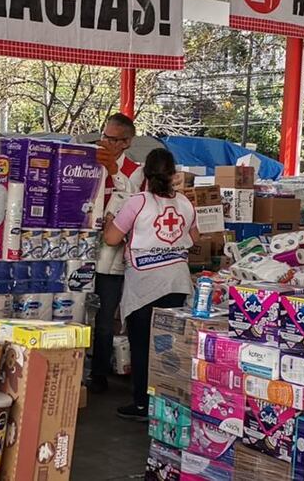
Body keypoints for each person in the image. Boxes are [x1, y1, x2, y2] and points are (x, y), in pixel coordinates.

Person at [103, 148, 196, 421]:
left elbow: (111, 238)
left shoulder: (137, 202)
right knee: (169, 345)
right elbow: (195, 237)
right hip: (177, 282)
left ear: (146, 173)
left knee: (143, 345)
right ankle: (169, 401)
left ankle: (143, 404)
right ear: (173, 173)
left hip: (145, 285)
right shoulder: (185, 203)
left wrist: (110, 222)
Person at [89, 112, 144, 394]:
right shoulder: (89, 159)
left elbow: (131, 200)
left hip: (111, 256)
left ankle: (99, 375)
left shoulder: (135, 170)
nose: (105, 143)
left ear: (126, 142)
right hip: (81, 247)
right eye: (104, 136)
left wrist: (113, 170)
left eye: (112, 139)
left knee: (104, 318)